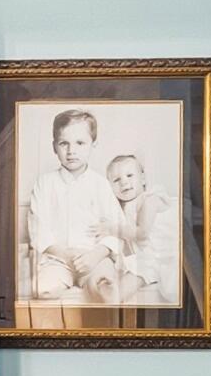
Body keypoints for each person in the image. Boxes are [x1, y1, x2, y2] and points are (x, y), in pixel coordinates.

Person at [22, 108, 123, 302]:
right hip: (58, 259)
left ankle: (100, 313)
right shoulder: (45, 183)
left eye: (80, 143)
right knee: (43, 290)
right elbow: (38, 228)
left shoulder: (100, 184)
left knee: (106, 289)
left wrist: (96, 255)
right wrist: (65, 255)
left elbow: (116, 227)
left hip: (94, 257)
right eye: (64, 143)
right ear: (54, 147)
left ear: (93, 145)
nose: (71, 151)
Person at [105, 152, 176, 302]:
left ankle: (115, 295)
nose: (124, 182)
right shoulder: (121, 207)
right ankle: (113, 296)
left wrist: (111, 229)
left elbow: (142, 233)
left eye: (130, 176)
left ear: (143, 179)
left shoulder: (150, 199)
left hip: (163, 252)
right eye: (116, 180)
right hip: (147, 256)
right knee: (135, 271)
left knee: (148, 271)